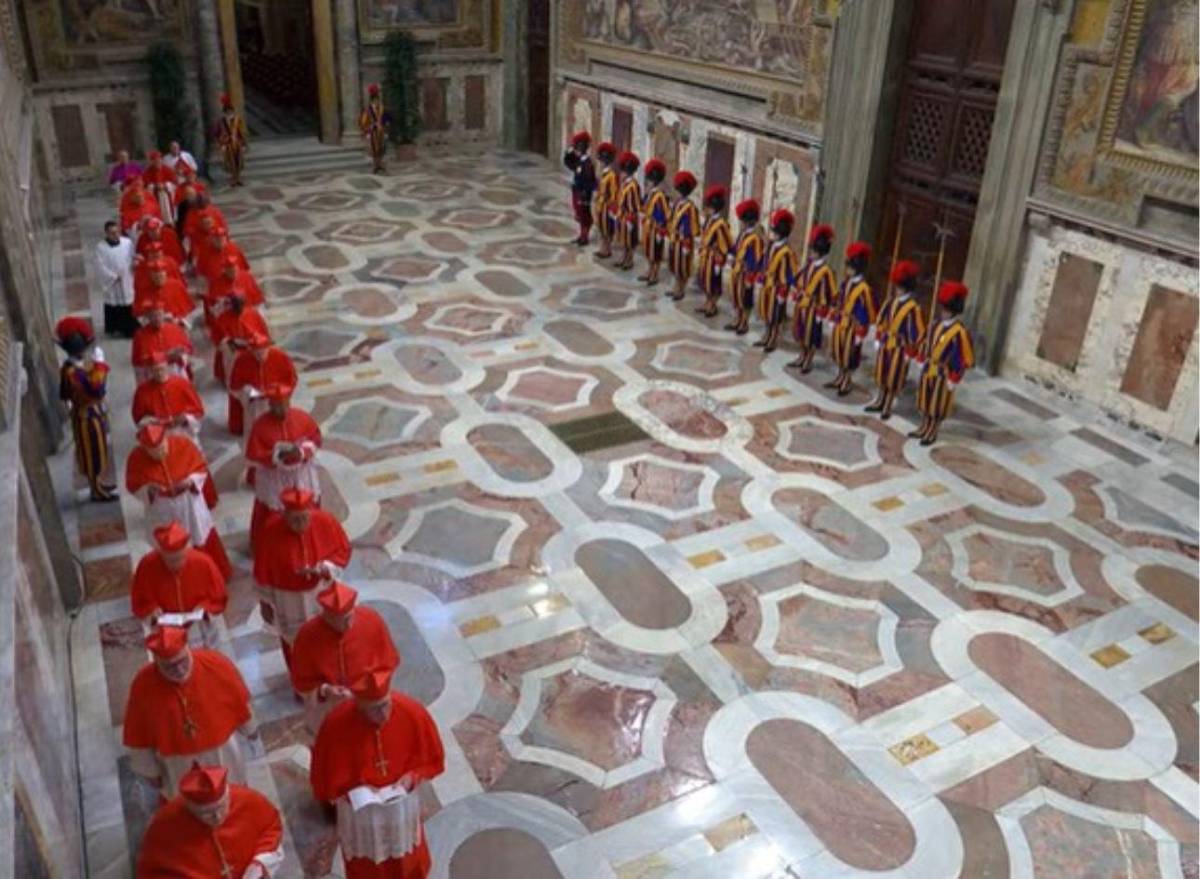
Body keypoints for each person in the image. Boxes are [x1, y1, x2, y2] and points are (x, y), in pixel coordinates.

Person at [310, 669, 445, 879]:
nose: (383, 715)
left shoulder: (411, 712)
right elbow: (324, 781)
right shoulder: (336, 725)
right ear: (358, 705)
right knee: (368, 866)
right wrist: (353, 790)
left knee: (407, 858)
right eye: (374, 710)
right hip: (362, 815)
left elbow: (432, 758)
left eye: (385, 705)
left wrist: (413, 776)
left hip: (401, 809)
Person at [123, 626, 258, 797]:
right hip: (178, 763)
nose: (179, 671)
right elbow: (138, 733)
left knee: (231, 795)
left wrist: (250, 729)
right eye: (170, 667)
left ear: (188, 650)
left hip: (222, 753)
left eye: (182, 661)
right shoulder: (143, 685)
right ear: (157, 662)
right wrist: (150, 771)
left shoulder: (215, 664)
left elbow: (239, 700)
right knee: (188, 803)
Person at [252, 488, 351, 673]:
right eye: (295, 520)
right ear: (284, 515)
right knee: (295, 641)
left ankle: (328, 672)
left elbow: (342, 550)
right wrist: (264, 603)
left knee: (325, 634)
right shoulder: (270, 531)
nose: (301, 524)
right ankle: (303, 677)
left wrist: (324, 568)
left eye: (305, 518)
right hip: (288, 600)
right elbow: (263, 570)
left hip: (320, 592)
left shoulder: (324, 521)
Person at [135, 763, 285, 879]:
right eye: (206, 813)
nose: (217, 817)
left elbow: (271, 830)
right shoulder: (164, 825)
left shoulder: (247, 800)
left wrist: (258, 866)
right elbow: (154, 872)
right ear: (189, 807)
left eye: (222, 807)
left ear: (228, 795)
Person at [125, 423, 233, 578]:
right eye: (154, 453)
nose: (160, 454)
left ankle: (207, 575)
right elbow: (133, 485)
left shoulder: (183, 445)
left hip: (189, 504)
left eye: (162, 448)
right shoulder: (136, 458)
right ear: (145, 449)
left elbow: (200, 468)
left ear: (165, 439)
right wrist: (149, 489)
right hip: (162, 508)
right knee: (168, 545)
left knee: (198, 536)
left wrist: (190, 481)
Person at [290, 581, 398, 734]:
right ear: (327, 616)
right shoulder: (307, 636)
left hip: (368, 705)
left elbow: (387, 662)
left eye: (350, 617)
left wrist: (366, 690)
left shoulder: (371, 620)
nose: (349, 625)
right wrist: (326, 690)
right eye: (342, 620)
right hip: (329, 709)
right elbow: (302, 683)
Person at [245, 385, 323, 549]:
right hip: (275, 478)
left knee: (305, 505)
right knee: (274, 510)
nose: (281, 410)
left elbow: (315, 439)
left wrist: (301, 452)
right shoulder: (260, 425)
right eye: (277, 406)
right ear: (270, 405)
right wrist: (275, 456)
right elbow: (254, 454)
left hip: (300, 474)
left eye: (284, 405)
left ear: (289, 402)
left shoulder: (302, 417)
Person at [131, 521, 228, 649]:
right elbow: (140, 598)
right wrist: (152, 610)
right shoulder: (147, 565)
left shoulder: (203, 562)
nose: (176, 564)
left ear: (186, 550)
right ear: (161, 553)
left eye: (180, 559)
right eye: (171, 561)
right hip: (166, 629)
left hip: (198, 625)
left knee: (204, 654)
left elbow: (219, 595)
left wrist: (205, 607)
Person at [57, 316, 117, 502]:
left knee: (98, 450)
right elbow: (96, 389)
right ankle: (96, 489)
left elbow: (66, 393)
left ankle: (98, 483)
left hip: (87, 412)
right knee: (93, 454)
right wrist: (99, 366)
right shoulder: (72, 372)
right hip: (86, 417)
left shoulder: (70, 368)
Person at [912, 281, 975, 446]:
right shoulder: (935, 325)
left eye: (947, 310)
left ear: (953, 310)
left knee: (937, 405)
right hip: (929, 368)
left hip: (943, 373)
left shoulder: (959, 332)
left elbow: (961, 358)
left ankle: (933, 430)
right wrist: (921, 357)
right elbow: (925, 342)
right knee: (925, 401)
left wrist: (954, 377)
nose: (943, 312)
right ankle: (923, 426)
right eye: (943, 308)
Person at [867, 260, 926, 420]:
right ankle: (880, 400)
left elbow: (916, 332)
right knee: (882, 374)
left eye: (899, 287)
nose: (896, 289)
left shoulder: (913, 308)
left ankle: (888, 404)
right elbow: (881, 321)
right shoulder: (891, 302)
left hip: (900, 348)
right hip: (886, 343)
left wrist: (911, 351)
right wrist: (878, 337)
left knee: (893, 378)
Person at [826, 241, 877, 397]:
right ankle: (840, 377)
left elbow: (866, 311)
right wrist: (833, 314)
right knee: (839, 352)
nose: (847, 269)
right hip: (841, 322)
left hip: (853, 328)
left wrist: (861, 331)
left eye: (850, 267)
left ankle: (846, 380)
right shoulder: (846, 283)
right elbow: (839, 300)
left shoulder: (864, 289)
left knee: (850, 355)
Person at [227, 331, 297, 439]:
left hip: (277, 404)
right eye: (256, 351)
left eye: (263, 350)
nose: (260, 354)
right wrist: (248, 392)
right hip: (255, 406)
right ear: (251, 350)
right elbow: (235, 387)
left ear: (268, 347)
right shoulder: (242, 360)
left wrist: (278, 391)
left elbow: (291, 380)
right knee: (255, 431)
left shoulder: (281, 357)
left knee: (277, 431)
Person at [787, 223, 836, 373]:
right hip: (803, 304)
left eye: (813, 251)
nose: (811, 253)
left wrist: (824, 309)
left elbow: (829, 292)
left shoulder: (826, 271)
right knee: (800, 332)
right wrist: (795, 289)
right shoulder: (809, 266)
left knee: (812, 335)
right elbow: (799, 279)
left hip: (815, 308)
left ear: (820, 252)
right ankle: (802, 355)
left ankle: (809, 358)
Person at [131, 352, 205, 439]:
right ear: (150, 371)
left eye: (161, 369)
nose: (159, 373)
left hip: (184, 430)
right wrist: (152, 421)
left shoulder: (182, 384)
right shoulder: (142, 391)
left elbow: (198, 410)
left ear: (167, 367)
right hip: (159, 434)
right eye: (155, 370)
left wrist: (185, 417)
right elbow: (139, 418)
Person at [756, 209, 799, 353]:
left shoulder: (787, 252)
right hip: (768, 285)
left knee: (775, 316)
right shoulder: (772, 246)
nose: (772, 234)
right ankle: (766, 336)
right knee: (766, 313)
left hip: (778, 288)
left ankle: (773, 339)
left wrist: (784, 290)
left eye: (775, 231)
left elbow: (790, 272)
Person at [94, 220, 137, 338]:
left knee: (128, 304)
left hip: (126, 278)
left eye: (117, 232)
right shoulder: (100, 248)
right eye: (112, 233)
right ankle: (114, 328)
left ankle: (129, 329)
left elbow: (133, 257)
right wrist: (112, 277)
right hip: (113, 282)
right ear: (106, 233)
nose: (115, 235)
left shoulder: (127, 243)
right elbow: (99, 266)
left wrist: (134, 264)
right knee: (113, 305)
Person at [726, 199, 763, 335]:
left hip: (746, 273)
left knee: (745, 299)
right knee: (736, 297)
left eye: (741, 221)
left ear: (747, 221)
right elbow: (736, 248)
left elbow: (755, 258)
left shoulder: (755, 238)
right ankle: (738, 319)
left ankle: (744, 323)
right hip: (737, 270)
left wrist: (750, 274)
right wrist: (731, 254)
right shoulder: (743, 234)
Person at [131, 303, 193, 384]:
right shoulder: (140, 335)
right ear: (147, 316)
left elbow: (188, 349)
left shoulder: (174, 328)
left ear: (164, 313)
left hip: (175, 372)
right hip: (154, 375)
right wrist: (166, 356)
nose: (157, 318)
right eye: (153, 316)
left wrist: (182, 354)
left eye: (159, 314)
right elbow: (139, 362)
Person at [667, 170, 700, 303]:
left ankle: (681, 289)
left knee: (683, 266)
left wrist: (686, 239)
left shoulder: (690, 207)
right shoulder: (677, 204)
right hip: (675, 239)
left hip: (685, 240)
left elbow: (693, 226)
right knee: (675, 265)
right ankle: (676, 286)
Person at [638, 158, 670, 286]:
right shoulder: (650, 194)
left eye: (649, 181)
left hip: (656, 228)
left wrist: (660, 229)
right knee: (648, 251)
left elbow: (661, 213)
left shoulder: (659, 196)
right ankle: (649, 270)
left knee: (655, 252)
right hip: (648, 226)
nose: (647, 183)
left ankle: (655, 273)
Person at [133, 257, 193, 324]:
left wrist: (177, 319)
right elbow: (139, 314)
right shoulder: (143, 291)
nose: (159, 279)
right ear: (151, 277)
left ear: (165, 275)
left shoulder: (176, 286)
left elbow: (188, 309)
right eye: (156, 277)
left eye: (161, 276)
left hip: (177, 324)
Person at [563, 130, 597, 246]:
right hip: (577, 191)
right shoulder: (580, 161)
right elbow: (569, 163)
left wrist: (585, 194)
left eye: (577, 148)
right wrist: (569, 152)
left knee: (584, 215)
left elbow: (590, 180)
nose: (576, 151)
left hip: (583, 193)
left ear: (581, 149)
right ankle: (582, 235)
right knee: (579, 214)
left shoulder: (587, 163)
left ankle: (584, 236)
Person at [613, 151, 642, 271]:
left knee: (630, 240)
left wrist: (630, 217)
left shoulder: (633, 185)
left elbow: (635, 204)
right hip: (623, 215)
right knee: (624, 239)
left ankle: (629, 260)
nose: (622, 174)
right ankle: (624, 257)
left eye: (624, 171)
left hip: (630, 216)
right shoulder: (625, 183)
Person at [592, 141, 619, 260]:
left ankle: (606, 249)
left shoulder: (611, 175)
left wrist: (611, 207)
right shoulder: (603, 173)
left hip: (606, 206)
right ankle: (603, 248)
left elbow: (613, 193)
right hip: (600, 204)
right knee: (601, 227)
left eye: (602, 161)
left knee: (606, 228)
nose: (601, 163)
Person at [216, 93, 249, 187]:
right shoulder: (221, 122)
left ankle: (238, 178)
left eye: (230, 111)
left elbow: (241, 132)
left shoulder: (237, 120)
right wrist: (221, 144)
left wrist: (243, 144)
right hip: (227, 144)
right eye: (227, 112)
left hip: (237, 143)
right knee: (230, 162)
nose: (229, 113)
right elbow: (218, 133)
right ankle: (233, 178)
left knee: (239, 161)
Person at [359, 83, 391, 174]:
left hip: (381, 129)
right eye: (375, 100)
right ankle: (376, 165)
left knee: (382, 148)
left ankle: (380, 165)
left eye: (377, 100)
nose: (376, 102)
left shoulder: (381, 107)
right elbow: (364, 120)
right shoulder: (368, 109)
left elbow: (386, 118)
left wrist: (386, 127)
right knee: (375, 148)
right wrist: (367, 130)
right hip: (373, 130)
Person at [142, 150, 176, 222]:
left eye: (159, 160)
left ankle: (168, 222)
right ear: (151, 162)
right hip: (154, 196)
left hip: (167, 195)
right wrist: (155, 187)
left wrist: (165, 185)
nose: (157, 162)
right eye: (155, 161)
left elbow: (174, 183)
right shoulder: (147, 172)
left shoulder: (167, 169)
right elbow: (145, 186)